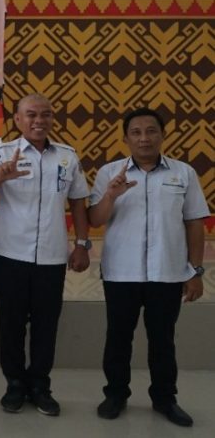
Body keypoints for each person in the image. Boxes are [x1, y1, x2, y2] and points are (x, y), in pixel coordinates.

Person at [89, 108, 208, 427]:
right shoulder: (109, 172)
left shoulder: (183, 173)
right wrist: (111, 195)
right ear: (126, 138)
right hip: (121, 273)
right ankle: (115, 394)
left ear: (162, 135)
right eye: (136, 132)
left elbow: (195, 223)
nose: (144, 138)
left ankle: (165, 399)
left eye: (151, 131)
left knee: (163, 340)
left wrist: (196, 272)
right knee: (118, 338)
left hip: (167, 272)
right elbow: (95, 220)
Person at [0, 93, 91, 417]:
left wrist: (82, 244)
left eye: (46, 114)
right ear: (17, 119)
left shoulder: (67, 156)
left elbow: (78, 202)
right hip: (10, 255)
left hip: (52, 258)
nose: (39, 120)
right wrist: (0, 176)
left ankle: (40, 386)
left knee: (45, 325)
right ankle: (14, 384)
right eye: (31, 114)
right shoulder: (1, 153)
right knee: (11, 324)